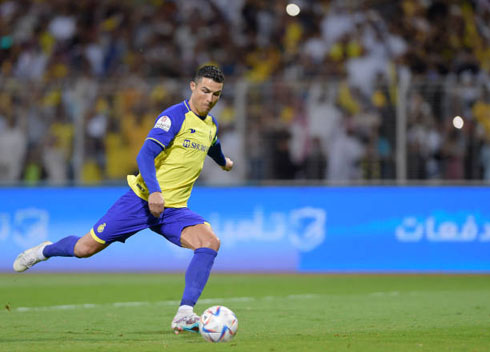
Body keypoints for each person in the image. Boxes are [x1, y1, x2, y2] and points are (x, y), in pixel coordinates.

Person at [13, 64, 234, 334]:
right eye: (205, 91)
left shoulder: (210, 125)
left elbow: (213, 145)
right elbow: (144, 155)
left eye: (216, 95)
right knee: (85, 248)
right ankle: (43, 251)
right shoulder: (174, 117)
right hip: (141, 201)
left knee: (210, 242)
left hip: (174, 210)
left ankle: (184, 313)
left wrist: (224, 163)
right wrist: (153, 191)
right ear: (192, 86)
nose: (209, 99)